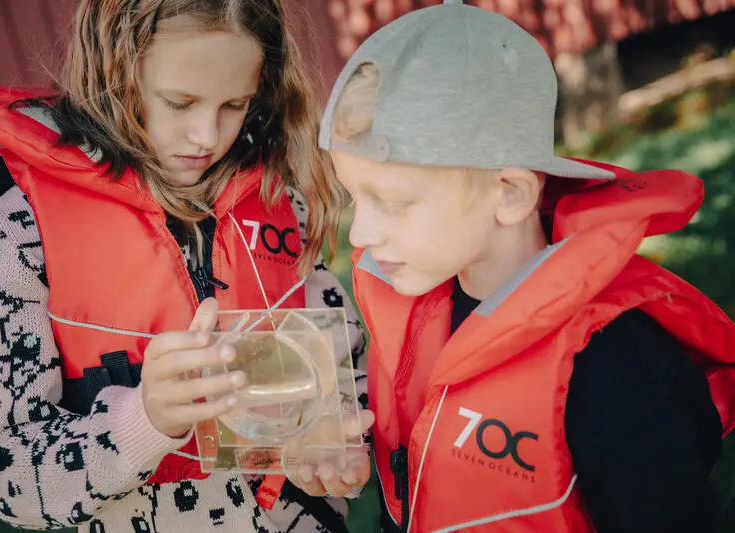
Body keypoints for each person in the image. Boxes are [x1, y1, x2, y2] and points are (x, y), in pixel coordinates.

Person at [301, 1, 735, 531]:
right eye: (354, 199)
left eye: (391, 201)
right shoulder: (420, 318)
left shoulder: (617, 369)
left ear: (507, 194)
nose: (360, 235)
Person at [0, 1, 368, 531]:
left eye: (233, 104)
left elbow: (347, 370)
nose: (206, 135)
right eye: (180, 103)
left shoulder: (278, 201)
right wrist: (143, 423)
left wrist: (332, 442)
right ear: (115, 73)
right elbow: (0, 475)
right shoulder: (20, 224)